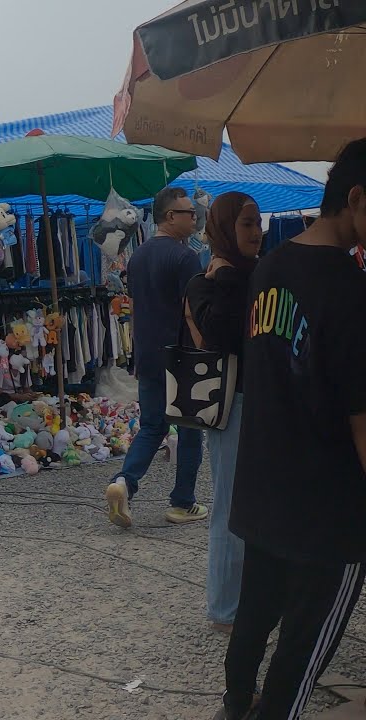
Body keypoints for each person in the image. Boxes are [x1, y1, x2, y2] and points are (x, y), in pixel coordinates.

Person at [215, 139, 366, 720]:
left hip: (265, 483)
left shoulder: (270, 267)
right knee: (305, 643)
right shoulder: (350, 291)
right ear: (354, 198)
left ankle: (235, 707)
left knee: (255, 611)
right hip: (330, 509)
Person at [105, 186, 207, 528]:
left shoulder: (139, 257)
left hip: (148, 354)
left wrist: (135, 355)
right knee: (191, 430)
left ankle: (124, 482)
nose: (194, 218)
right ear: (169, 216)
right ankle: (182, 503)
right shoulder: (185, 258)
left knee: (151, 426)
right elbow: (192, 313)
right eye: (188, 212)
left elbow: (136, 309)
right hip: (181, 356)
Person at [185, 192, 262, 632]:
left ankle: (260, 596)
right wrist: (230, 276)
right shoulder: (205, 283)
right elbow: (225, 333)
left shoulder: (262, 275)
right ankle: (225, 609)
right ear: (224, 228)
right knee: (231, 505)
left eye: (257, 224)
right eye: (246, 224)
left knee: (267, 503)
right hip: (231, 405)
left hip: (271, 403)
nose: (256, 233)